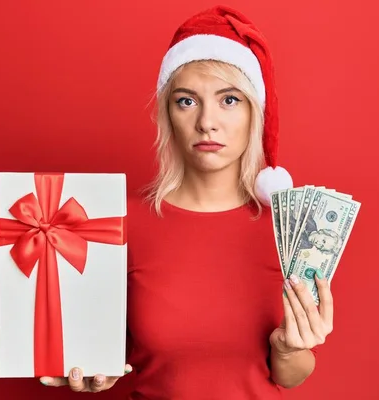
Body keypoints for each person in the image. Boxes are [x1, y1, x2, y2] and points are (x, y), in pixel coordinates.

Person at [39, 5, 334, 398]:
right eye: (186, 101)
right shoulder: (118, 222)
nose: (206, 121)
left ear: (254, 113)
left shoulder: (292, 228)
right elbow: (100, 345)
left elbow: (290, 375)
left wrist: (289, 348)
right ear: (168, 115)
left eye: (229, 100)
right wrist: (94, 368)